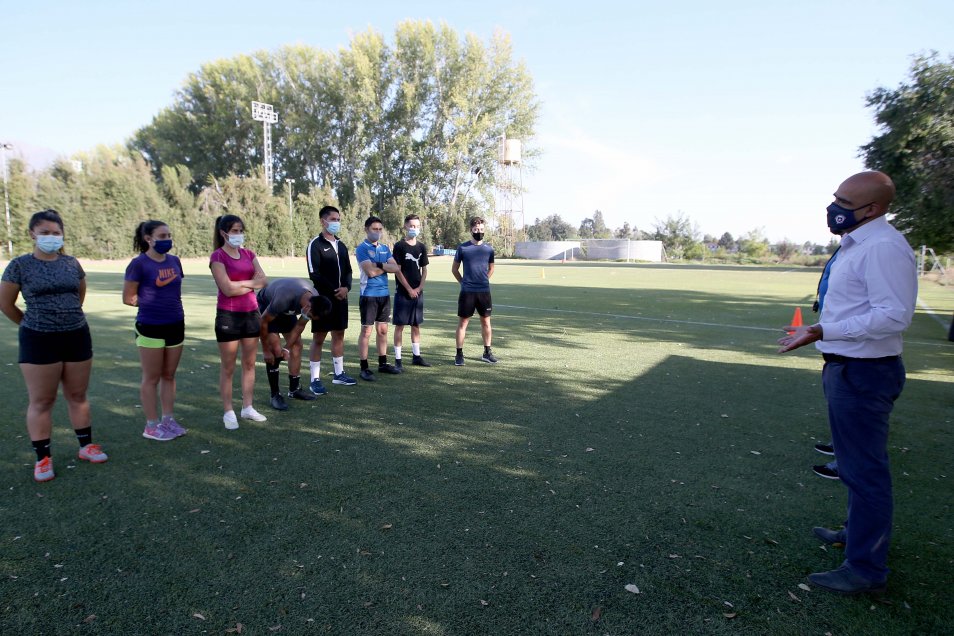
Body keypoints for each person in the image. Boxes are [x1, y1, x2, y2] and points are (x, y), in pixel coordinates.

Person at [778, 171, 916, 595]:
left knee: (864, 472)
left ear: (872, 209)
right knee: (855, 467)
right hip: (848, 367)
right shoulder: (859, 244)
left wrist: (823, 331)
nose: (833, 207)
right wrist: (820, 328)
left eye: (844, 201)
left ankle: (865, 569)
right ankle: (856, 535)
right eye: (835, 198)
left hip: (864, 372)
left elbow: (893, 316)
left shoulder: (882, 247)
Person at [0, 209, 107, 482]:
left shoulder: (71, 263)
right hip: (38, 339)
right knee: (42, 401)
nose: (51, 237)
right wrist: (30, 323)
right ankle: (43, 458)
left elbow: (79, 294)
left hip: (76, 335)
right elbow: (5, 303)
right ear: (32, 234)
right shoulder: (20, 265)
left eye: (56, 232)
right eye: (45, 232)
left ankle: (86, 446)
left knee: (78, 395)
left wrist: (66, 317)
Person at [122, 220, 187, 441]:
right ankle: (151, 425)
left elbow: (174, 291)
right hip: (150, 326)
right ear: (148, 239)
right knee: (151, 377)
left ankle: (168, 420)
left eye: (168, 235)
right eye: (162, 236)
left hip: (176, 324)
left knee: (169, 375)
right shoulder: (138, 264)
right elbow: (128, 298)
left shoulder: (175, 261)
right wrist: (152, 302)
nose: (167, 239)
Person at [210, 214, 268, 430]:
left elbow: (264, 281)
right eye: (234, 231)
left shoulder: (249, 254)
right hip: (229, 316)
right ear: (223, 233)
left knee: (249, 364)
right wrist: (251, 283)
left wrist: (240, 284)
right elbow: (227, 289)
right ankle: (228, 411)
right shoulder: (217, 257)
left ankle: (247, 407)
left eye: (241, 230)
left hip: (251, 314)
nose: (238, 234)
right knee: (228, 367)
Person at [257, 278, 331, 410]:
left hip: (287, 307)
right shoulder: (284, 299)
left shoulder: (314, 300)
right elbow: (263, 322)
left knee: (297, 345)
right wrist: (266, 350)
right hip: (268, 304)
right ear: (307, 307)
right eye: (310, 317)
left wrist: (287, 348)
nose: (309, 319)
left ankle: (294, 389)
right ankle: (275, 394)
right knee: (275, 349)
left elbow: (300, 325)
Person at [305, 205, 357, 392]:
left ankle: (339, 374)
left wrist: (346, 288)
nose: (336, 222)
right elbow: (314, 273)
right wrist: (335, 289)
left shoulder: (341, 245)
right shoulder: (315, 245)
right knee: (319, 337)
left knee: (339, 334)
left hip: (341, 298)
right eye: (333, 219)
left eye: (338, 219)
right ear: (323, 221)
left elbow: (349, 270)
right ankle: (315, 379)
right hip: (322, 300)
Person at [355, 216, 401, 381]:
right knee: (366, 331)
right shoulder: (362, 248)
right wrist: (385, 267)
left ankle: (383, 364)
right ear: (366, 229)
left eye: (380, 229)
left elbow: (396, 268)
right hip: (369, 295)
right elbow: (370, 272)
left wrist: (379, 264)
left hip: (384, 295)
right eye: (375, 229)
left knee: (382, 330)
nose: (378, 232)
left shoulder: (384, 248)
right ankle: (364, 368)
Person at [452, 217, 498, 366]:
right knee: (463, 323)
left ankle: (487, 353)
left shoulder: (488, 249)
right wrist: (463, 283)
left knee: (486, 322)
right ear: (471, 230)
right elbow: (454, 269)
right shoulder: (463, 248)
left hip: (484, 291)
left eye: (482, 229)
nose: (479, 232)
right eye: (476, 229)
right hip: (467, 292)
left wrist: (484, 279)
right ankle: (459, 354)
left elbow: (491, 268)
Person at [392, 214, 432, 369]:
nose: (414, 229)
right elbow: (397, 270)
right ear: (405, 226)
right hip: (403, 293)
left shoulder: (421, 247)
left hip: (417, 293)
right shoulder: (399, 246)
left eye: (417, 226)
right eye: (412, 226)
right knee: (400, 326)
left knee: (416, 325)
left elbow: (424, 270)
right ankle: (398, 360)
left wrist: (419, 288)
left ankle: (417, 356)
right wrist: (409, 289)